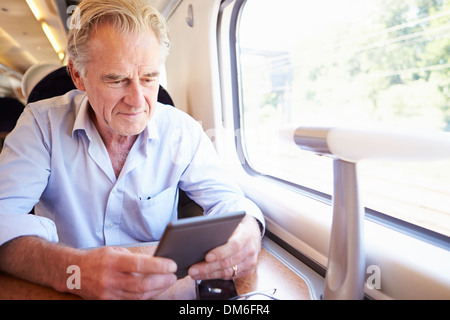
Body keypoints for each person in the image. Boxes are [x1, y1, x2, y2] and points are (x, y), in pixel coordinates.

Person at [0, 0, 264, 300]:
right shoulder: (41, 124)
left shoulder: (182, 131)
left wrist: (246, 234)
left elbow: (229, 201)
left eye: (149, 78)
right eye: (116, 79)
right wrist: (73, 271)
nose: (138, 101)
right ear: (77, 76)